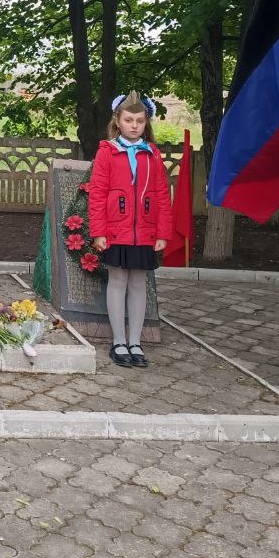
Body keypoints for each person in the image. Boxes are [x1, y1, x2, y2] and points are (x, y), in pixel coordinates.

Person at [88, 92, 171, 369]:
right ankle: (118, 341)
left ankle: (135, 342)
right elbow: (97, 194)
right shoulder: (107, 152)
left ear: (146, 123)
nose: (134, 125)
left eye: (139, 120)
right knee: (118, 282)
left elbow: (161, 194)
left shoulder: (152, 154)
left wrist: (162, 233)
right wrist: (99, 231)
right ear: (118, 121)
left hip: (144, 231)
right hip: (116, 230)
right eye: (128, 120)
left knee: (138, 284)